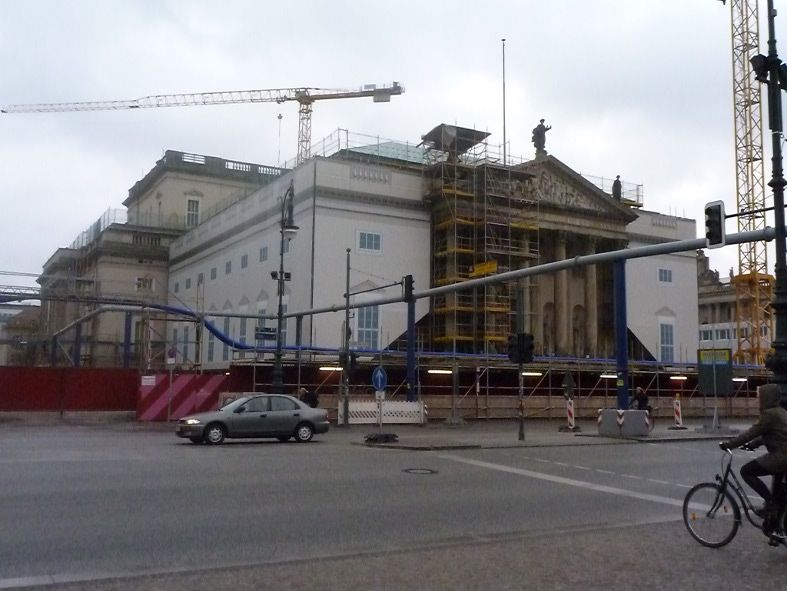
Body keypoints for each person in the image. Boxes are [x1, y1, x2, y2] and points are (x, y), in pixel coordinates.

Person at [720, 384, 787, 518]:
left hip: (780, 457)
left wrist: (730, 444)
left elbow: (752, 432)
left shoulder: (769, 414)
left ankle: (770, 504)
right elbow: (773, 434)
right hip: (784, 456)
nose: (758, 400)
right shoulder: (781, 411)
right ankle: (775, 526)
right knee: (779, 496)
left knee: (746, 471)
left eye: (759, 397)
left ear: (766, 397)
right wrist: (753, 445)